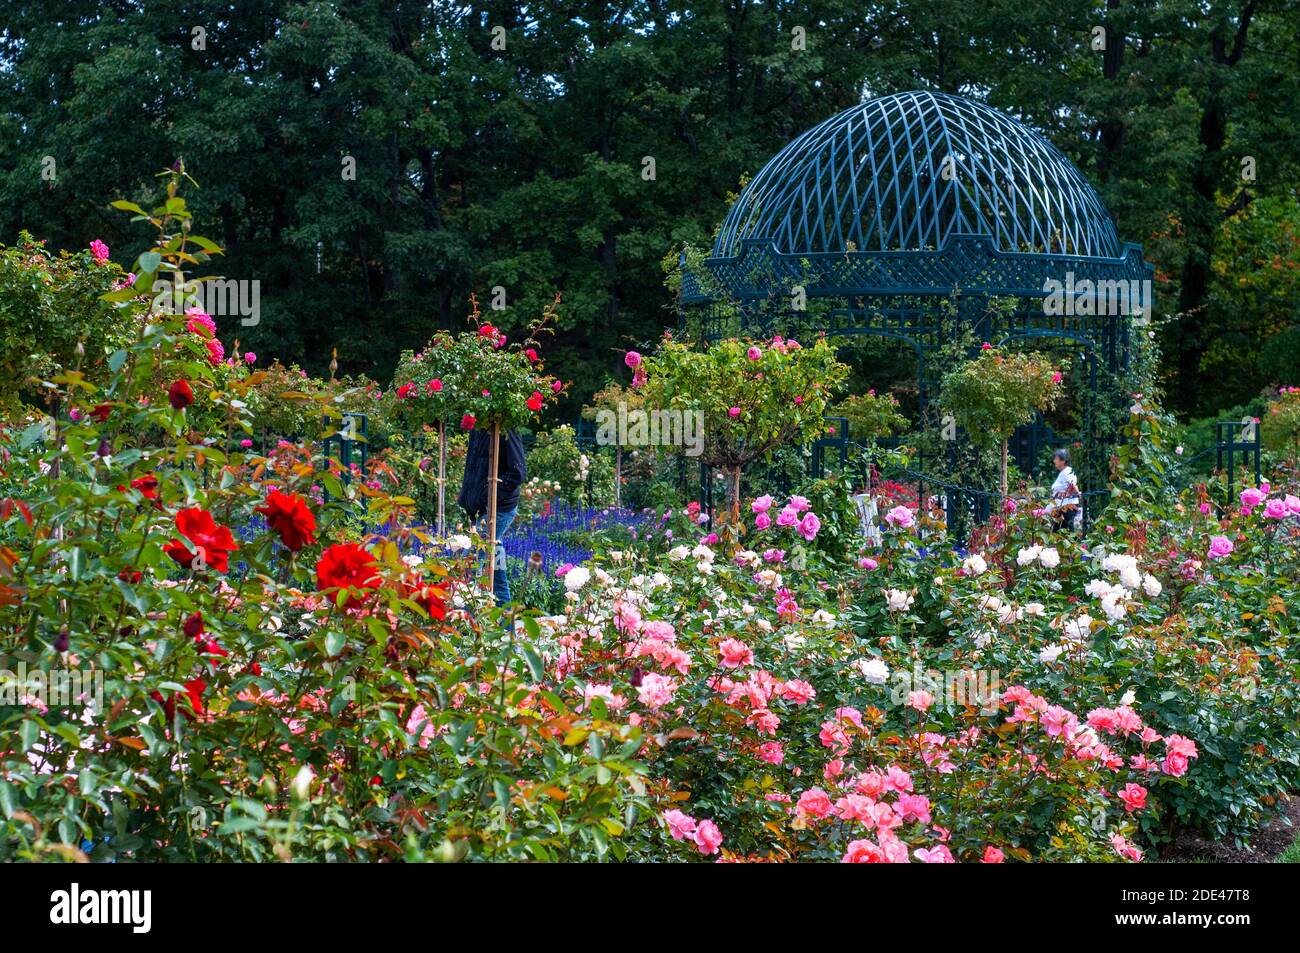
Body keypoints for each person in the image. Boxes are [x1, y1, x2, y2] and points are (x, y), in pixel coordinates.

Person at [456, 428, 527, 604]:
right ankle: (507, 627)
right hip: (482, 509)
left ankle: (464, 624)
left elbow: (518, 472)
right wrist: (468, 499)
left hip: (499, 509)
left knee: (468, 566)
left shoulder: (505, 427)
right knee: (496, 577)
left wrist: (490, 494)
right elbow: (473, 467)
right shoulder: (478, 426)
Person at [1045, 448, 1081, 532]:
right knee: (1058, 534)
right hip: (1061, 509)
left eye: (1056, 459)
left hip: (1066, 509)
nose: (1054, 461)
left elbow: (1073, 485)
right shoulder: (1064, 472)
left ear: (1063, 461)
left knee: (1065, 534)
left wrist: (1076, 493)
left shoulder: (1067, 472)